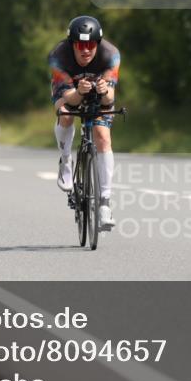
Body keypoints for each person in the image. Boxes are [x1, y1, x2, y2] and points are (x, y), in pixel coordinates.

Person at [49, 15, 120, 228]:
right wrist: (79, 92)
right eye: (80, 45)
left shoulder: (111, 55)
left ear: (97, 44)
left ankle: (105, 205)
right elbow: (67, 99)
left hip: (98, 96)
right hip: (69, 92)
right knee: (66, 113)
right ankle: (65, 161)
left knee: (102, 136)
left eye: (90, 45)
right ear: (72, 44)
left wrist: (105, 89)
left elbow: (110, 99)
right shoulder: (58, 56)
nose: (85, 50)